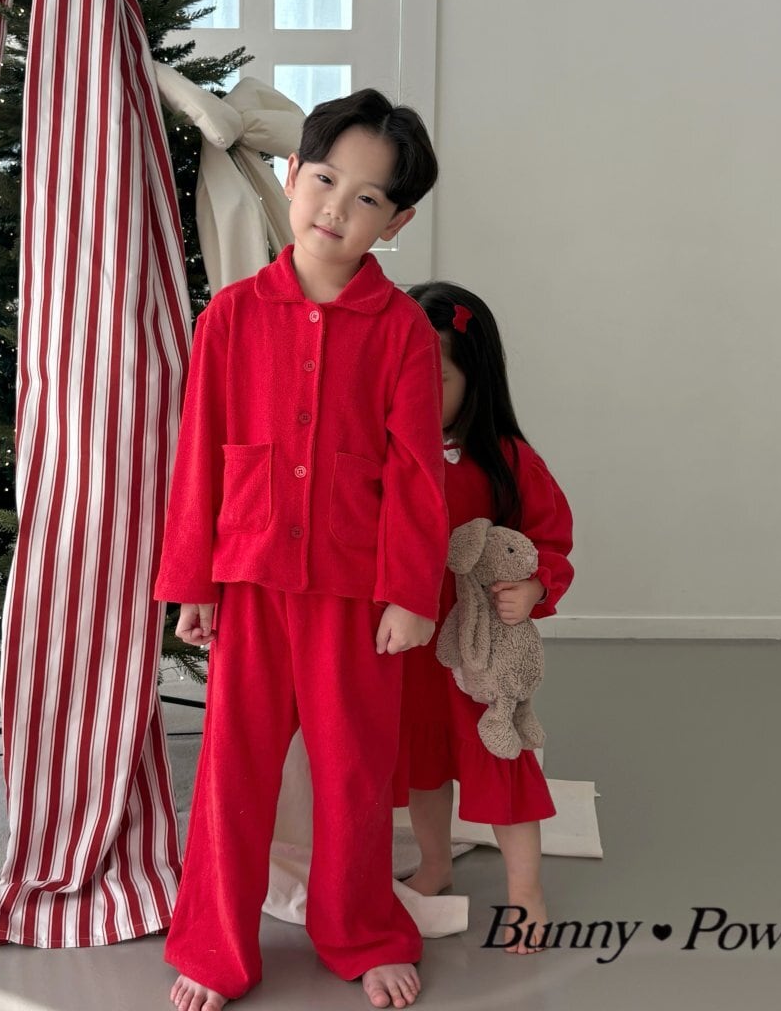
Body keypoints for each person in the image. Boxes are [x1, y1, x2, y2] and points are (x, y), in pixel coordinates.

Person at [155, 89, 448, 1011]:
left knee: (354, 771)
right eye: (324, 179)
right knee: (231, 771)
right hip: (249, 584)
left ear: (395, 222)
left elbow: (417, 475)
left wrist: (411, 593)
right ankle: (214, 945)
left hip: (356, 595)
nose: (334, 208)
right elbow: (200, 456)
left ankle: (360, 929)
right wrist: (193, 584)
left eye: (367, 198)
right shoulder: (231, 318)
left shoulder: (402, 333)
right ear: (290, 175)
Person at [393, 282, 573, 956]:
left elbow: (549, 539)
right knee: (423, 764)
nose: (414, 392)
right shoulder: (391, 456)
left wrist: (535, 586)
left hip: (481, 653)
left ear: (474, 377)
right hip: (410, 645)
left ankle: (526, 891)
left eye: (434, 377)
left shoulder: (507, 459)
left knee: (500, 760)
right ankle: (435, 864)